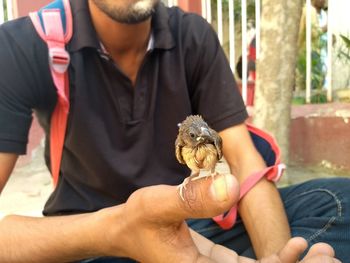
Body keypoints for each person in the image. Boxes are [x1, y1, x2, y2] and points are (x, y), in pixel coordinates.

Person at [0, 0, 348, 262]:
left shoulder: (192, 36)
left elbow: (245, 160)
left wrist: (279, 255)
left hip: (189, 230)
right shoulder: (24, 46)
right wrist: (114, 229)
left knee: (338, 202)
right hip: (87, 240)